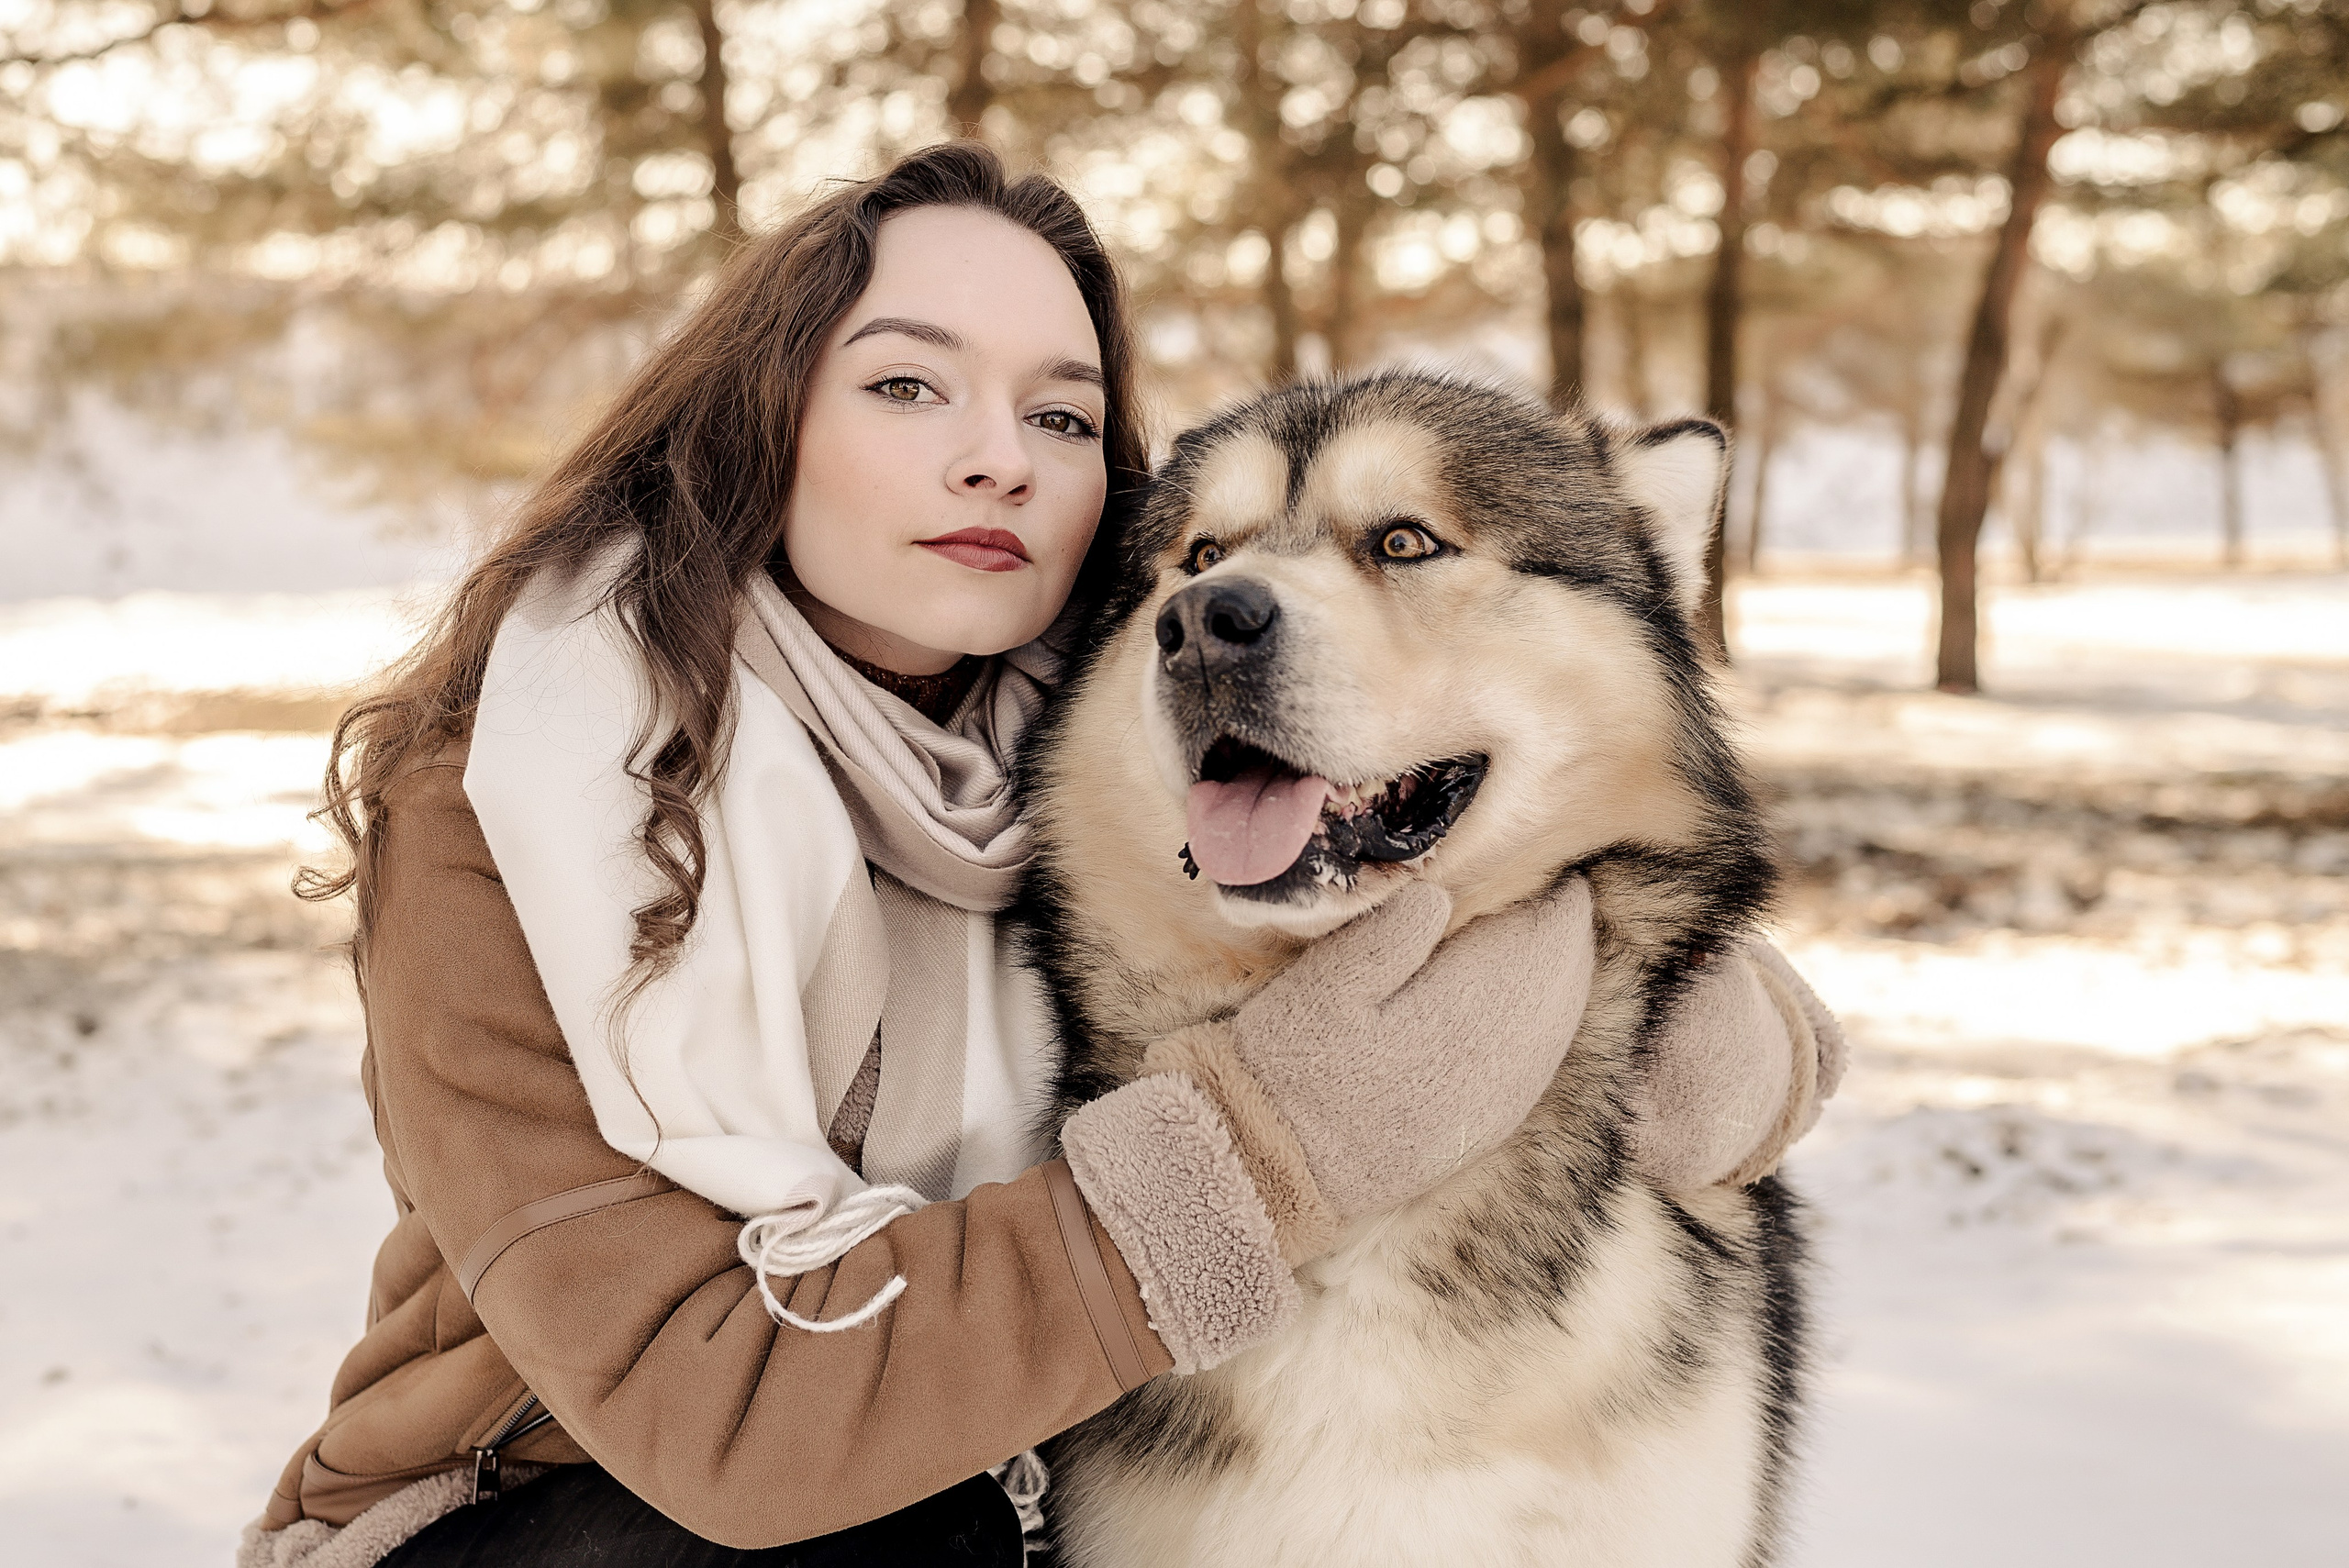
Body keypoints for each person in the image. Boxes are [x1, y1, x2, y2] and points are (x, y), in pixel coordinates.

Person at [239, 142, 1842, 1568]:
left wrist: (1654, 968)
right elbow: (718, 1416)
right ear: (762, 422)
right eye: (906, 385)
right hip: (574, 1515)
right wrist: (1265, 1144)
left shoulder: (1083, 718)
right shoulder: (523, 802)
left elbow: (1497, 764)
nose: (997, 457)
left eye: (1061, 415)